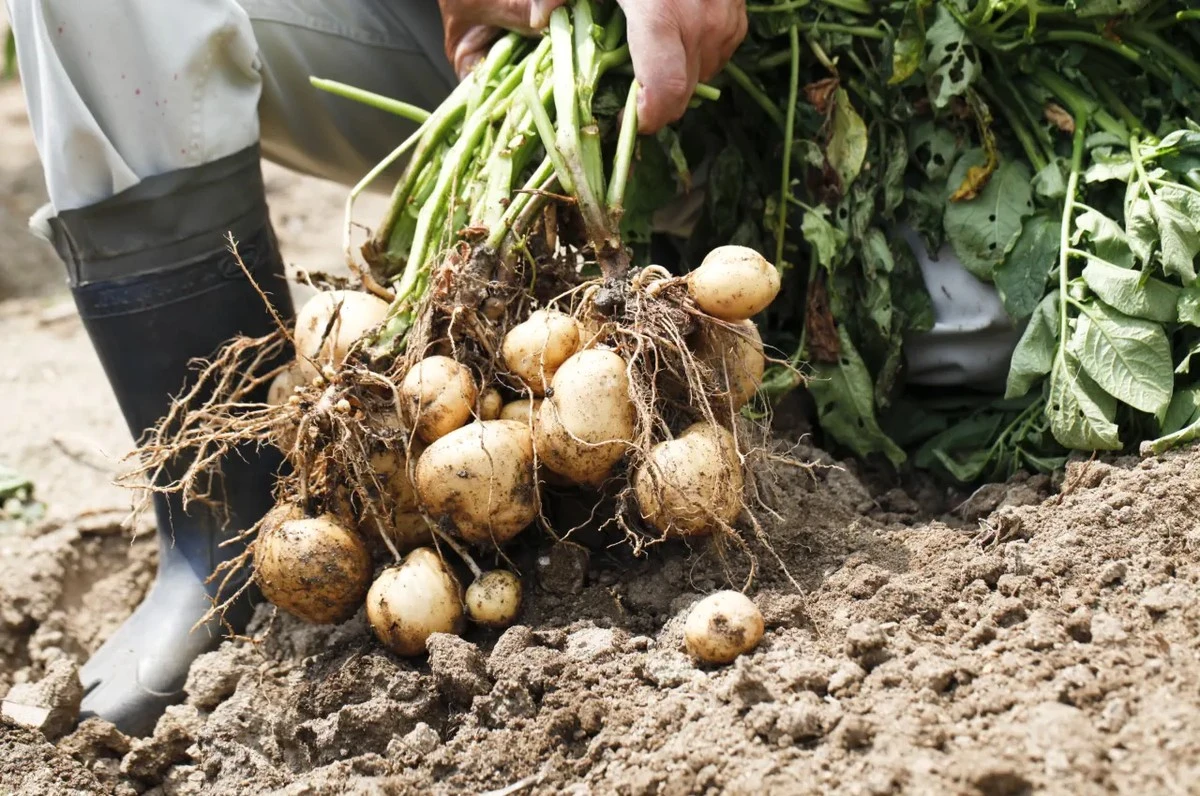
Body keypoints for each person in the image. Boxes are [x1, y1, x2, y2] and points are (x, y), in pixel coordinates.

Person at [6, 0, 1014, 737]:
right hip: (458, 47)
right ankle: (224, 535)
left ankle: (703, 313)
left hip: (798, 82)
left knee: (975, 349)